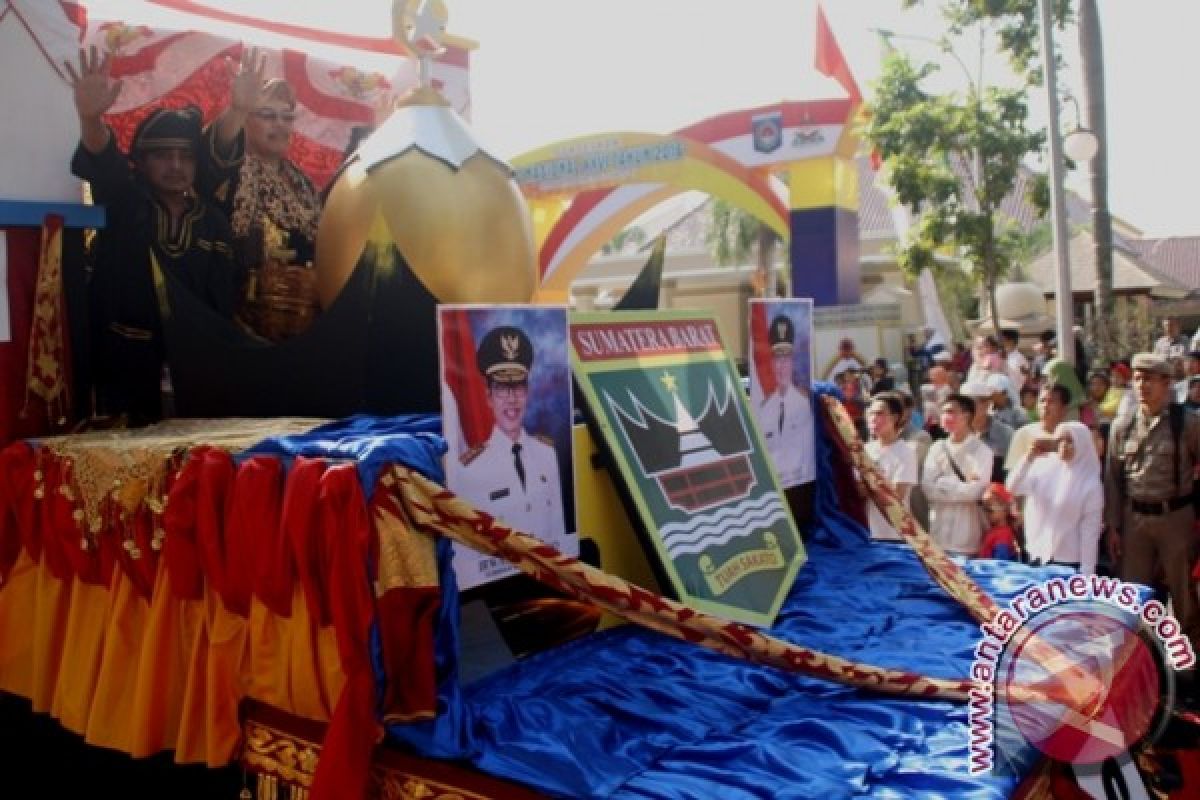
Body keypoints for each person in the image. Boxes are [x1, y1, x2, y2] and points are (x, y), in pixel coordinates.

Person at [66, 48, 241, 423]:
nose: (176, 166)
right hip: (122, 369)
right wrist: (90, 118)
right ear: (142, 163)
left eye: (186, 157)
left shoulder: (213, 224)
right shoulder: (126, 202)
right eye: (162, 156)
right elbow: (104, 162)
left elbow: (222, 303)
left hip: (195, 374)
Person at [203, 48, 323, 340]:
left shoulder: (303, 184)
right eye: (268, 115)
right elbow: (214, 152)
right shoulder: (231, 168)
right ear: (246, 120)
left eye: (287, 117)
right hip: (238, 323)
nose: (279, 124)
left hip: (299, 327)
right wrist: (238, 108)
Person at [1105, 353, 1200, 655]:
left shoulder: (1186, 423)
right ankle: (1146, 669)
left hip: (1176, 517)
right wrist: (1113, 526)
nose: (1142, 385)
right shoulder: (1123, 424)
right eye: (1136, 378)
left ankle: (1191, 670)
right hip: (1135, 520)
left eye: (1149, 379)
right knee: (1134, 599)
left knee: (1184, 598)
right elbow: (1113, 479)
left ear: (1166, 383)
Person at [450, 326, 565, 541]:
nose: (512, 399)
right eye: (502, 388)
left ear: (527, 392)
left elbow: (557, 532)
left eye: (519, 387)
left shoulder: (548, 455)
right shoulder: (470, 469)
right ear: (488, 397)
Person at [1007, 421, 1104, 573]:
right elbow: (1013, 487)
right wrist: (1029, 457)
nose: (1064, 445)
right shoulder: (1043, 466)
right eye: (1060, 440)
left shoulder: (1090, 483)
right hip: (1036, 555)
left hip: (1068, 563)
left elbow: (1089, 533)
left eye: (1071, 441)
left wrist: (1087, 575)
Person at [922, 394, 993, 556]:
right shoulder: (936, 448)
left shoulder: (982, 451)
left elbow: (975, 492)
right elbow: (927, 488)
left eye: (951, 412)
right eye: (944, 412)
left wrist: (942, 482)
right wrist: (960, 485)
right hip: (937, 532)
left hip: (967, 535)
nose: (946, 417)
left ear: (966, 415)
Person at [756, 314, 815, 487]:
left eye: (785, 359)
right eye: (776, 359)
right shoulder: (764, 407)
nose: (781, 366)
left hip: (802, 485)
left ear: (793, 362)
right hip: (776, 486)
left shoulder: (806, 403)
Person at [864, 394, 918, 542]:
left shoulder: (905, 452)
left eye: (879, 413)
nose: (873, 418)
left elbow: (896, 495)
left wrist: (868, 484)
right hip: (866, 530)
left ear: (895, 418)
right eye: (870, 413)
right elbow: (857, 491)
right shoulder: (865, 450)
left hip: (894, 534)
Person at [1005, 383, 1070, 472]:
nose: (1045, 405)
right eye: (1042, 401)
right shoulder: (1023, 434)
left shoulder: (1072, 437)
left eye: (1051, 401)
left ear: (1064, 409)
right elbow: (1012, 473)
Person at [962, 380, 1013, 481]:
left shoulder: (1006, 434)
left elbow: (1011, 474)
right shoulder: (953, 433)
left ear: (987, 404)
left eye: (971, 402)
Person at [978, 483, 1020, 561]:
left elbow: (1000, 563)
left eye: (990, 510)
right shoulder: (997, 531)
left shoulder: (1002, 534)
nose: (986, 513)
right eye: (984, 509)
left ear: (1005, 510)